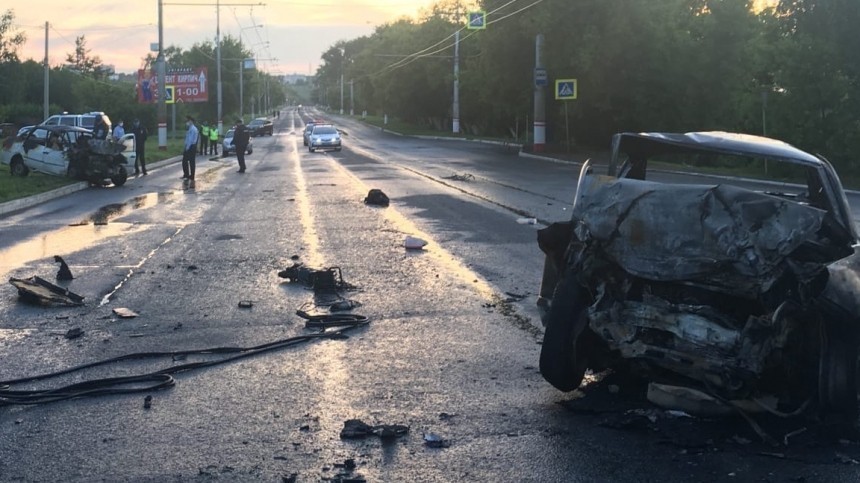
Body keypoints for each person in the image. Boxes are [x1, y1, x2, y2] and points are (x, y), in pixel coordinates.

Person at [182, 116, 199, 181]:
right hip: (190, 146)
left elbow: (190, 140)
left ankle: (190, 175)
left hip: (191, 146)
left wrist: (187, 148)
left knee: (188, 161)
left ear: (191, 121)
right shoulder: (190, 129)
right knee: (187, 161)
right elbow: (187, 139)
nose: (187, 122)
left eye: (188, 121)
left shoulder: (193, 129)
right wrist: (185, 146)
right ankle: (188, 175)